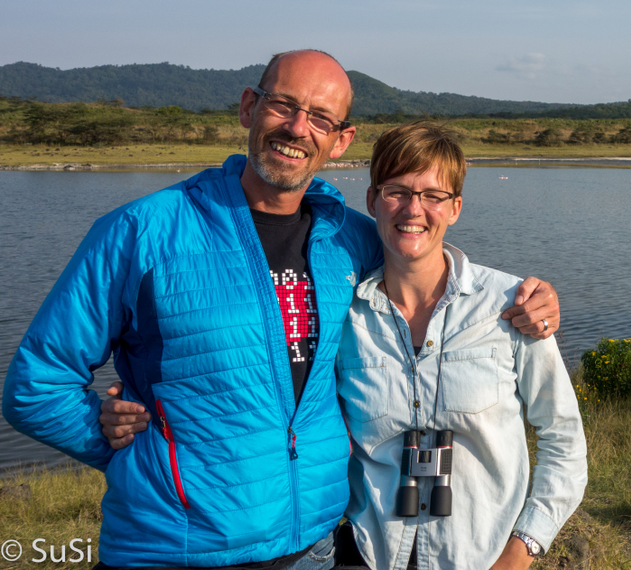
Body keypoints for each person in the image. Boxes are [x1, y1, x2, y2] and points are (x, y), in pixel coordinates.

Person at [2, 50, 561, 569]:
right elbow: (36, 384)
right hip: (176, 547)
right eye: (284, 105)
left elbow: (424, 253)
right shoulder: (142, 233)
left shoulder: (349, 238)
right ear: (249, 107)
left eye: (320, 117)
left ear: (340, 140)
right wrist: (136, 453)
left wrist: (528, 298)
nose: (297, 128)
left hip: (314, 546)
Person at [338, 122, 585, 570]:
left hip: (483, 556)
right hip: (372, 554)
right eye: (397, 191)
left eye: (433, 195)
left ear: (455, 208)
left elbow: (563, 438)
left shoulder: (510, 306)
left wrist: (521, 549)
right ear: (372, 200)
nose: (414, 209)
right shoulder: (346, 316)